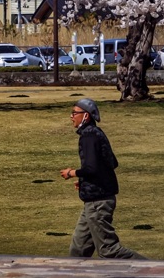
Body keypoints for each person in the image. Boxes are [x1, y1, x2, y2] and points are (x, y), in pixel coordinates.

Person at [60, 98, 146, 260]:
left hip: (98, 203)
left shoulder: (88, 137)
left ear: (85, 116)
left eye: (74, 113)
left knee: (109, 250)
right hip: (94, 201)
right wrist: (86, 182)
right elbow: (111, 163)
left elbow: (92, 168)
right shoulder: (97, 133)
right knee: (78, 251)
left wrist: (72, 173)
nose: (71, 117)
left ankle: (155, 270)